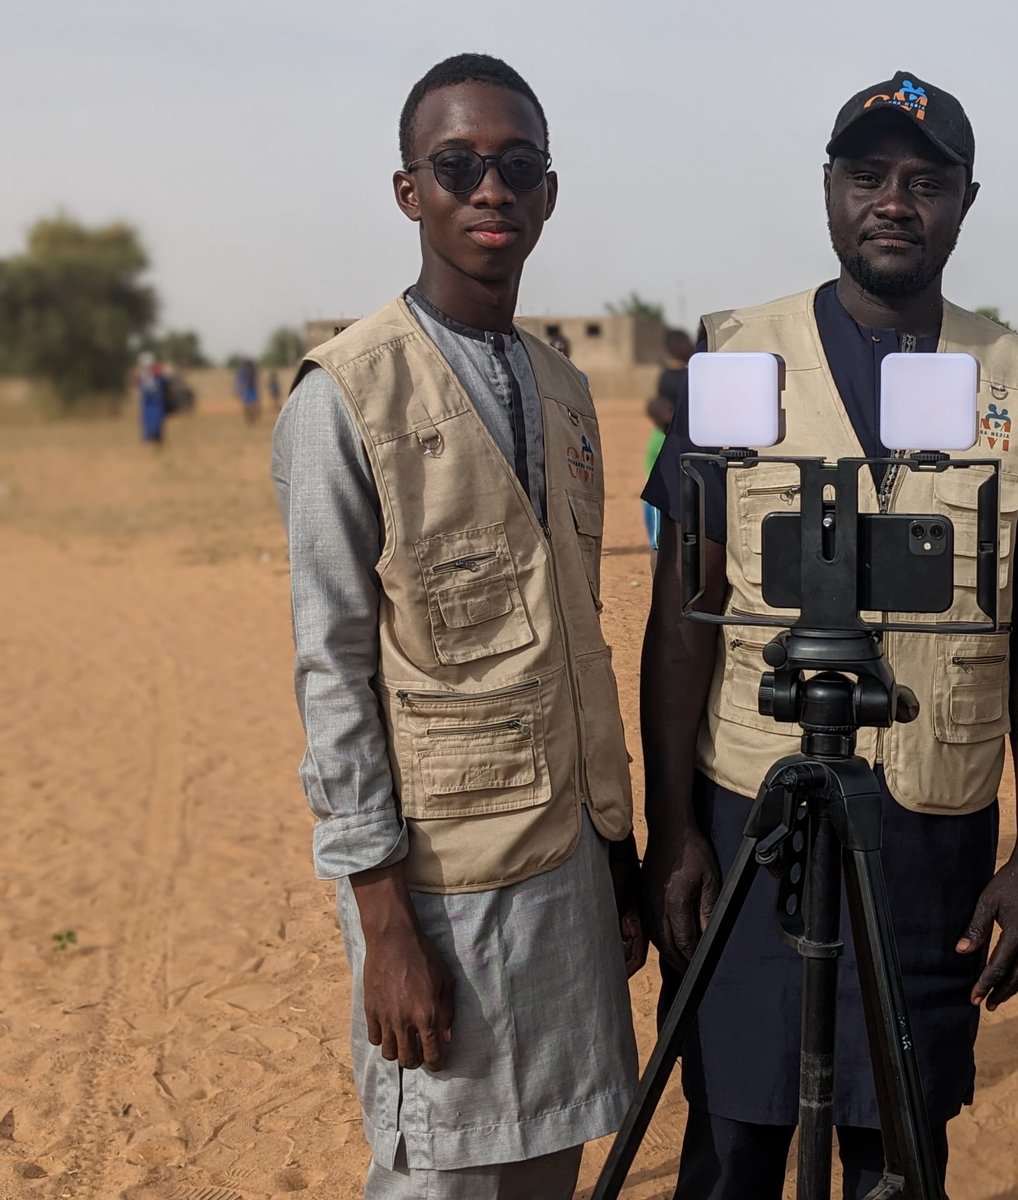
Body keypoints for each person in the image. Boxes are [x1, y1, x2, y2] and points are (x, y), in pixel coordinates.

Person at [640, 71, 1018, 1199]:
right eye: (868, 176)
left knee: (896, 1145)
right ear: (830, 192)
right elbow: (680, 613)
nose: (895, 201)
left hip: (931, 834)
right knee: (734, 1138)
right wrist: (673, 830)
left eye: (926, 182)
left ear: (964, 202)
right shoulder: (736, 357)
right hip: (753, 820)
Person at [270, 53, 642, 1200]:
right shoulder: (345, 395)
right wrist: (382, 925)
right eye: (458, 165)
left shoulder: (562, 384)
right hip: (439, 888)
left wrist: (617, 861)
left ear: (547, 192)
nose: (490, 188)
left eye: (515, 165)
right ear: (409, 190)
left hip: (567, 863)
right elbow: (332, 673)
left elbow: (571, 637)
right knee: (440, 1167)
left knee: (549, 1162)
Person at [643, 329, 691, 551]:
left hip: (684, 437)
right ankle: (659, 543)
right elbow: (660, 407)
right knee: (660, 490)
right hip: (668, 437)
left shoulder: (692, 372)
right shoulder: (669, 376)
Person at [135, 352, 167, 446]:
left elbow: (163, 382)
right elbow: (139, 384)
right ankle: (148, 436)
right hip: (147, 399)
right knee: (146, 418)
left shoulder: (157, 372)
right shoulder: (142, 374)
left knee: (156, 418)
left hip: (156, 399)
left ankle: (156, 436)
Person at [235, 357, 260, 423]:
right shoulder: (253, 370)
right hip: (252, 389)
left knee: (247, 405)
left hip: (248, 389)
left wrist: (239, 391)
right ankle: (252, 418)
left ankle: (249, 418)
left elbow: (240, 381)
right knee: (252, 405)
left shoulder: (244, 371)